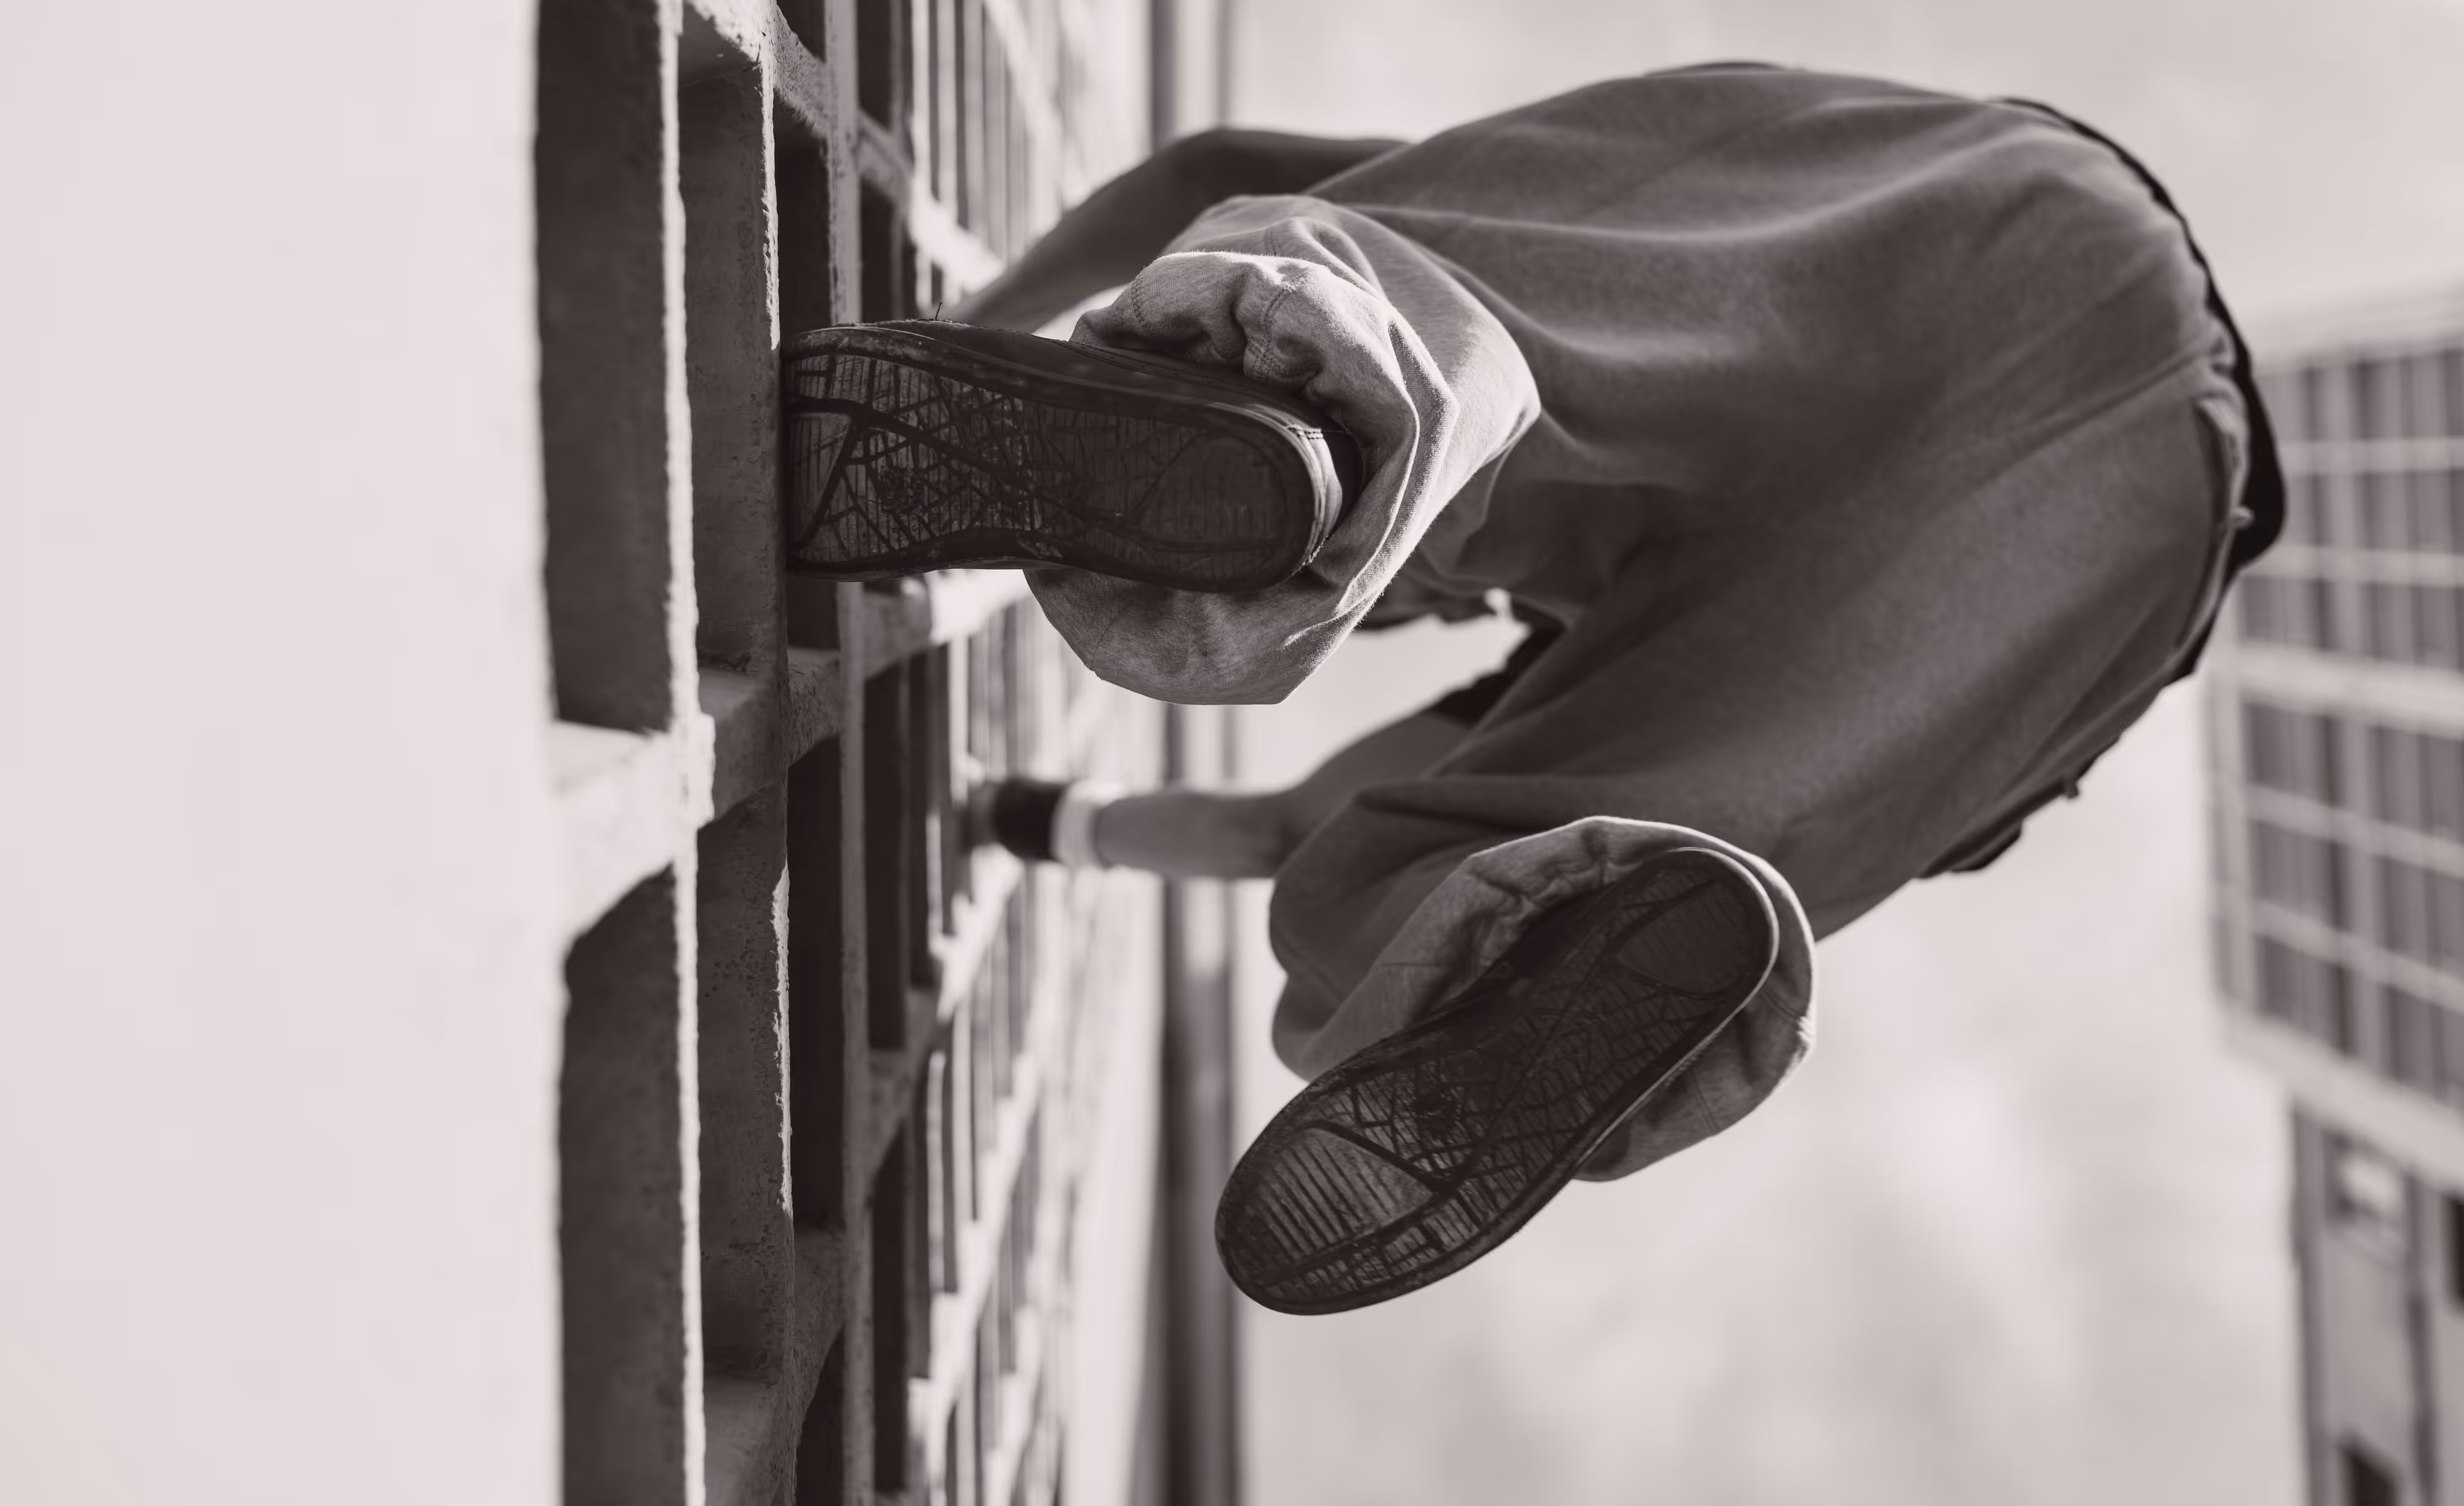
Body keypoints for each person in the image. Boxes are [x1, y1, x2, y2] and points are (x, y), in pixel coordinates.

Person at [779, 63, 2284, 1315]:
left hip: (2034, 237)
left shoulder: (1564, 627)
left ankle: (1299, 393)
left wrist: (973, 335)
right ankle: (1505, 949)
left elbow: (1205, 165)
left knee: (1479, 331)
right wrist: (1036, 822)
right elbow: (1269, 833)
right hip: (2122, 553)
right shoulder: (1597, 680)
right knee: (1626, 818)